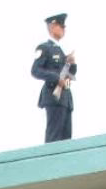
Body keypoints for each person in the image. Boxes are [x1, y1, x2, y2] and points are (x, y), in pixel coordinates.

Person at [31, 14, 76, 142]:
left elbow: (70, 75)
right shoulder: (45, 48)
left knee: (66, 138)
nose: (63, 29)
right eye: (61, 26)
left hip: (66, 98)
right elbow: (35, 70)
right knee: (54, 137)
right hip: (53, 95)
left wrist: (72, 64)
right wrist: (56, 78)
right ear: (52, 27)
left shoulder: (62, 51)